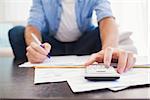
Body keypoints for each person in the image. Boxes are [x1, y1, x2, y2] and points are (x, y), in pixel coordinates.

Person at [9, 0, 136, 74]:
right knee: (16, 33)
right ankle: (33, 62)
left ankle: (104, 56)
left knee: (104, 32)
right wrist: (35, 46)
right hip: (52, 48)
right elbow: (33, 25)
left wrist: (110, 48)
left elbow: (106, 17)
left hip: (83, 44)